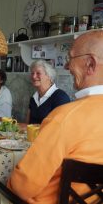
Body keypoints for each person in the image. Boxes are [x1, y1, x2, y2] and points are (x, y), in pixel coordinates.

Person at [7, 30, 103, 203]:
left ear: (90, 64)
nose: (66, 66)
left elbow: (21, 186)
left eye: (71, 58)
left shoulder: (65, 116)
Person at [26, 60, 70, 124]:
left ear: (49, 76)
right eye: (32, 73)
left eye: (38, 73)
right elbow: (27, 124)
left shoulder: (60, 97)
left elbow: (60, 127)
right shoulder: (33, 98)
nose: (33, 76)